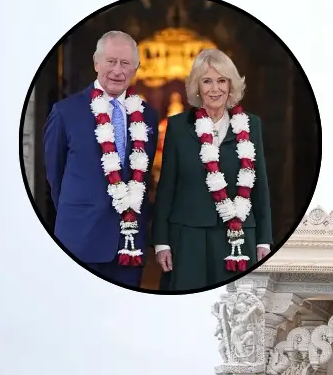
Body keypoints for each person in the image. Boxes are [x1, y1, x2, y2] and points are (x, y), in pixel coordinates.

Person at [43, 31, 160, 287]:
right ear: (96, 63)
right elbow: (55, 176)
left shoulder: (148, 117)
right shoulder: (66, 112)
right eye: (111, 61)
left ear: (136, 68)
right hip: (79, 241)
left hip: (129, 246)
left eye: (125, 63)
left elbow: (144, 175)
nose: (117, 70)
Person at [154, 48, 273, 291]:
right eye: (207, 81)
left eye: (222, 81)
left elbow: (260, 186)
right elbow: (166, 188)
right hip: (188, 238)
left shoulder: (251, 125)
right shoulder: (177, 127)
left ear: (231, 86)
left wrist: (264, 240)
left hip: (238, 238)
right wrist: (161, 242)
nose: (214, 89)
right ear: (197, 86)